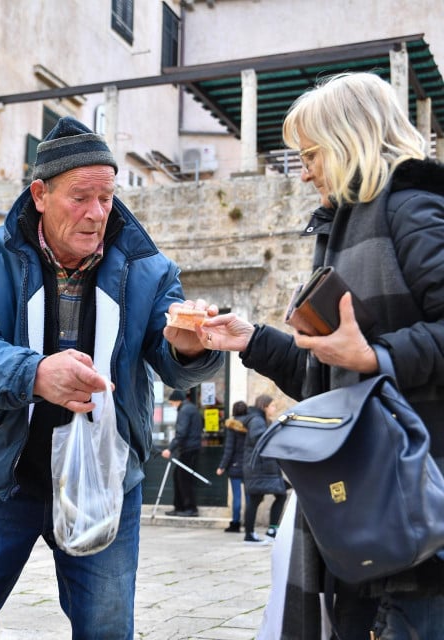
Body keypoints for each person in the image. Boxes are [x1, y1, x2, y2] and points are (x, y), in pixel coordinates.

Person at [0, 116, 223, 640]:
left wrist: (191, 346)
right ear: (39, 194)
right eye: (80, 197)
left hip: (102, 480)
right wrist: (33, 373)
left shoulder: (149, 269)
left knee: (106, 630)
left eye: (106, 197)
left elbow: (171, 359)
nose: (97, 213)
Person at [193, 72, 444, 638]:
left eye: (310, 154)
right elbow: (326, 377)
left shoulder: (413, 211)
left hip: (417, 510)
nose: (303, 171)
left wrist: (379, 357)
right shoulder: (346, 226)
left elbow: (361, 361)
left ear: (351, 139)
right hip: (368, 506)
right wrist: (250, 340)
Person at [241, 394, 287, 545]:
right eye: (272, 405)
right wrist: (277, 430)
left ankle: (261, 532)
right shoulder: (257, 420)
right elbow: (258, 438)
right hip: (259, 468)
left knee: (261, 498)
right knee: (276, 496)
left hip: (262, 468)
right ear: (264, 406)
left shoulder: (261, 420)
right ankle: (263, 532)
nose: (274, 408)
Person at [161, 389, 204, 517]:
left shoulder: (185, 410)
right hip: (189, 448)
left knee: (184, 480)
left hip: (188, 450)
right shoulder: (190, 408)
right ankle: (179, 507)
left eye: (171, 403)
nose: (171, 406)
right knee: (178, 477)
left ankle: (190, 508)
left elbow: (182, 432)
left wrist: (170, 449)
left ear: (176, 401)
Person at [216, 400, 248, 532]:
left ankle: (235, 523)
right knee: (250, 497)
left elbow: (229, 449)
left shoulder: (232, 426)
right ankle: (249, 523)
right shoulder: (251, 424)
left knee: (237, 497)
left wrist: (222, 466)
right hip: (248, 465)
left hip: (235, 466)